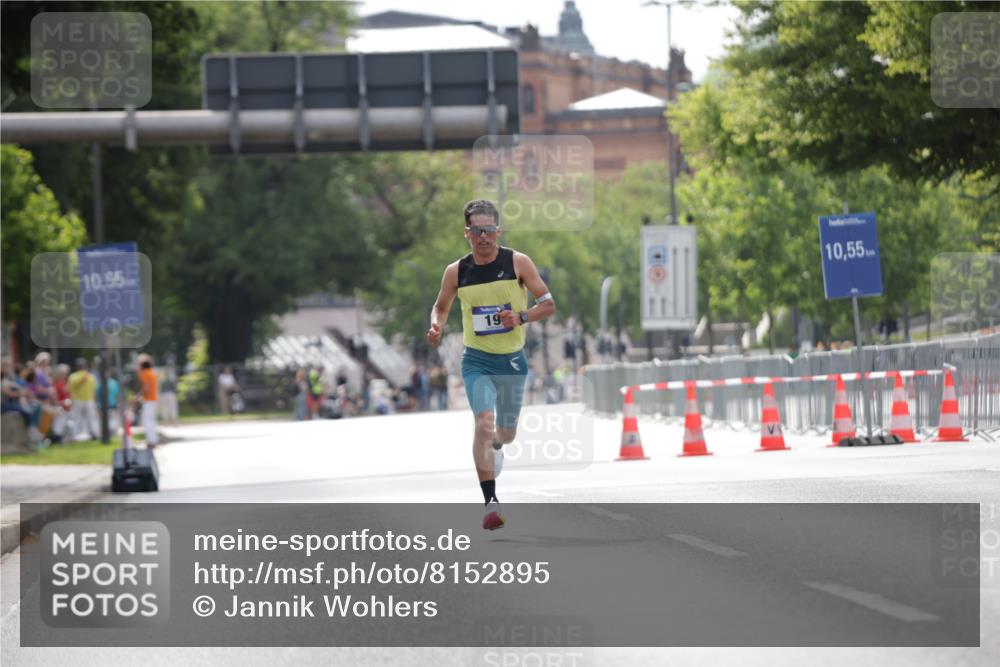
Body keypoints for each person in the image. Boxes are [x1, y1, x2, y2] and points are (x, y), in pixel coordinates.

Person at [426, 199, 555, 530]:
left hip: (512, 361)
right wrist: (437, 325)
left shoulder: (518, 263)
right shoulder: (456, 271)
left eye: (489, 230)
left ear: (498, 231)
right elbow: (441, 306)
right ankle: (490, 502)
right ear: (466, 233)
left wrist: (522, 317)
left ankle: (499, 445)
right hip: (476, 360)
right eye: (476, 230)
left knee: (506, 433)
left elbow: (548, 303)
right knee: (483, 422)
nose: (483, 236)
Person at [67, 358, 99, 441]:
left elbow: (70, 390)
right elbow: (94, 390)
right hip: (89, 400)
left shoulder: (72, 376)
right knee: (91, 418)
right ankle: (94, 434)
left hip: (77, 400)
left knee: (77, 418)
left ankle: (75, 436)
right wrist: (95, 401)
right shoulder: (91, 376)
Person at [137, 354, 159, 448]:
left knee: (147, 421)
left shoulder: (145, 373)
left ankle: (151, 441)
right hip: (153, 399)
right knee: (151, 421)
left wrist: (141, 396)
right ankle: (153, 440)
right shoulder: (151, 372)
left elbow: (146, 387)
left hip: (148, 400)